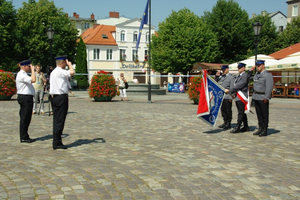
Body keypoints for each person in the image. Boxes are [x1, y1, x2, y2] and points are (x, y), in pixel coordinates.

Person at [50, 55, 75, 150]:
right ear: (62, 63)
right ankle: (57, 142)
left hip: (55, 97)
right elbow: (72, 72)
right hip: (61, 98)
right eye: (65, 62)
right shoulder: (60, 71)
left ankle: (57, 140)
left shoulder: (53, 72)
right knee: (60, 120)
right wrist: (70, 65)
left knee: (57, 119)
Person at [248, 60, 274, 137]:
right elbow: (248, 78)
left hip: (263, 97)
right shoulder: (256, 74)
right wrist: (250, 71)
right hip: (256, 96)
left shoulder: (267, 75)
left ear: (263, 65)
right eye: (257, 66)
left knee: (264, 114)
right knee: (259, 114)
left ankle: (265, 129)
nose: (258, 67)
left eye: (259, 65)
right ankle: (260, 128)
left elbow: (269, 87)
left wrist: (267, 97)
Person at [225, 62, 250, 133]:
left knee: (240, 112)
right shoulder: (239, 76)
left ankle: (238, 126)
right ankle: (246, 126)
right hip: (237, 96)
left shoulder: (244, 76)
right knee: (242, 111)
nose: (238, 69)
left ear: (244, 68)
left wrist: (230, 90)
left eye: (240, 68)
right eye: (238, 68)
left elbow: (239, 85)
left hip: (241, 96)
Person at [16, 60, 36, 143]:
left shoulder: (23, 74)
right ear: (24, 67)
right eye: (28, 66)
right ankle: (23, 136)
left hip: (26, 97)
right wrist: (33, 70)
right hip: (25, 97)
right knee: (25, 117)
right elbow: (33, 80)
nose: (29, 67)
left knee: (27, 117)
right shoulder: (22, 74)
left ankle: (25, 135)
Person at [215, 65, 235, 129]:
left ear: (227, 69)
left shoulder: (231, 77)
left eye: (224, 70)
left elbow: (232, 88)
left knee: (228, 110)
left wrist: (231, 97)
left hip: (227, 96)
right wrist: (216, 77)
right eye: (222, 70)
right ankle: (225, 121)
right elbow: (216, 84)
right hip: (221, 96)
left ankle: (228, 123)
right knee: (223, 110)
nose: (223, 71)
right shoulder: (221, 77)